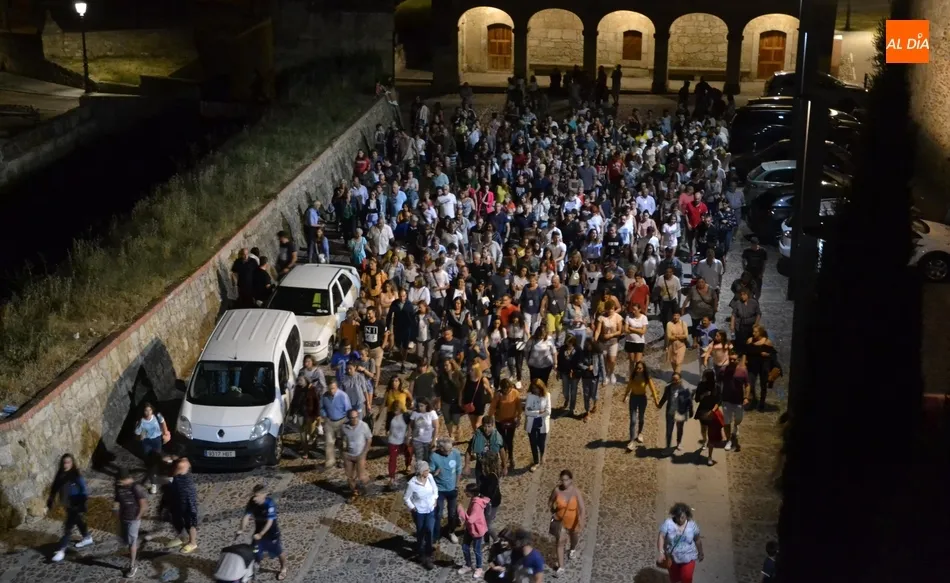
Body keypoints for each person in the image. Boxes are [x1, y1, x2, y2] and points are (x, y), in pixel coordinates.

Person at [238, 484, 288, 581]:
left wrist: (261, 534)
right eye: (254, 495)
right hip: (258, 531)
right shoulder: (252, 502)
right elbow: (246, 516)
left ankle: (284, 567)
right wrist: (241, 529)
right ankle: (256, 565)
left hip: (271, 533)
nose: (254, 498)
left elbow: (269, 522)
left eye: (257, 495)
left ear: (264, 495)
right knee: (255, 550)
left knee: (278, 551)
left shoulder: (269, 504)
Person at [548, 470, 585, 576]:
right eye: (562, 480)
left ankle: (572, 549)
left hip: (573, 521)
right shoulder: (556, 491)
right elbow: (550, 502)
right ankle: (561, 567)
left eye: (566, 480)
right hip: (560, 522)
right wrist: (553, 511)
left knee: (574, 537)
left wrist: (581, 521)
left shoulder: (576, 492)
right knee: (560, 543)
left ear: (571, 480)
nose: (564, 482)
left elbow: (582, 508)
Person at [404, 460, 439, 569]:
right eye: (426, 470)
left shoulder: (430, 477)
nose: (428, 471)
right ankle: (420, 551)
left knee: (429, 530)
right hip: (419, 512)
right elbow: (406, 498)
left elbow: (435, 489)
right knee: (421, 531)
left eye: (428, 469)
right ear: (420, 471)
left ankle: (428, 553)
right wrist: (413, 507)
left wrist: (435, 498)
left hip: (430, 510)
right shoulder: (412, 484)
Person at [657, 503, 704, 583]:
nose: (680, 519)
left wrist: (700, 552)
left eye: (682, 517)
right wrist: (661, 552)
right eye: (677, 517)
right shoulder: (668, 523)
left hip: (689, 557)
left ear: (687, 516)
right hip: (672, 558)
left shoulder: (692, 525)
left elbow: (697, 539)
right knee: (675, 579)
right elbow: (661, 536)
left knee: (687, 578)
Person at [113, 467, 147, 577]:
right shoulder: (118, 486)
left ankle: (133, 566)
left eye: (120, 481)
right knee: (126, 541)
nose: (119, 483)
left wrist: (137, 517)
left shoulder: (136, 487)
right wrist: (116, 510)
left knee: (132, 543)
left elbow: (143, 504)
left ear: (126, 478)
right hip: (123, 518)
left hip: (133, 519)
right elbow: (117, 500)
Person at [134, 401, 169, 494]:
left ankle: (161, 475)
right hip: (146, 442)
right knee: (150, 464)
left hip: (157, 440)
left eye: (150, 410)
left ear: (152, 410)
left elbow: (163, 422)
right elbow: (137, 435)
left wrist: (165, 433)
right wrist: (140, 437)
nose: (148, 412)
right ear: (143, 411)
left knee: (157, 460)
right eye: (146, 410)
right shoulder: (140, 421)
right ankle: (154, 483)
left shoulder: (157, 415)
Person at [623, 361, 659, 450]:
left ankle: (640, 433)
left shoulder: (647, 378)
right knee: (633, 420)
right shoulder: (633, 376)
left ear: (643, 369)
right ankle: (631, 441)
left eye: (640, 368)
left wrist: (656, 400)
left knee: (641, 418)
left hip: (642, 399)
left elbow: (653, 389)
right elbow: (629, 386)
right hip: (633, 398)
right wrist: (625, 395)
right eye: (637, 368)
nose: (638, 370)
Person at [489, 378, 522, 470]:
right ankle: (504, 459)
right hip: (500, 421)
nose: (507, 391)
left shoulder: (515, 393)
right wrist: (489, 418)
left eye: (508, 389)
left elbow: (519, 406)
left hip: (511, 420)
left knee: (510, 440)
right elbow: (492, 407)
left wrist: (519, 417)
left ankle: (511, 457)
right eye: (505, 389)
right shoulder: (498, 395)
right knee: (502, 441)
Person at [456, 489, 491, 578]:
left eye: (466, 491)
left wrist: (460, 510)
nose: (465, 492)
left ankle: (479, 568)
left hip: (477, 530)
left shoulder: (476, 504)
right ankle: (468, 565)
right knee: (465, 547)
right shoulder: (473, 499)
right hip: (470, 528)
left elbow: (471, 520)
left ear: (471, 492)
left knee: (477, 550)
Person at [720, 351, 750, 452]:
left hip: (738, 401)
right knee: (727, 422)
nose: (732, 361)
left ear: (738, 360)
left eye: (734, 359)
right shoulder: (723, 370)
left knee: (738, 419)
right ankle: (728, 440)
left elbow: (747, 385)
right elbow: (718, 383)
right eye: (731, 359)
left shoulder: (743, 371)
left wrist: (746, 397)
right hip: (726, 400)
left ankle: (736, 426)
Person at [168, 457, 199, 553]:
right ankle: (182, 537)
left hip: (186, 496)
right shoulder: (181, 461)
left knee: (189, 521)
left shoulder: (181, 464)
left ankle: (192, 543)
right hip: (179, 493)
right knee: (178, 517)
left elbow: (171, 474)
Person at [342, 407, 373, 500]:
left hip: (360, 455)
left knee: (361, 476)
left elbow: (369, 439)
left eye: (356, 417)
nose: (355, 419)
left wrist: (364, 453)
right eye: (352, 417)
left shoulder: (364, 425)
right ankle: (354, 492)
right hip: (348, 456)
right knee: (350, 476)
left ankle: (367, 484)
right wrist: (342, 452)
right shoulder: (344, 427)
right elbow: (340, 440)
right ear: (348, 418)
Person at [658, 372, 694, 452]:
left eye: (677, 379)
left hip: (680, 412)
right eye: (673, 379)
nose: (675, 381)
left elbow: (689, 401)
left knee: (680, 428)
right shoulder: (668, 388)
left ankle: (678, 443)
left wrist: (691, 411)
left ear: (680, 379)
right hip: (670, 412)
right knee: (669, 430)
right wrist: (660, 405)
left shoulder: (685, 389)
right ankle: (667, 447)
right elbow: (664, 397)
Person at [466, 415, 508, 484]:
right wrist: (467, 465)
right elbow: (468, 451)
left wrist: (505, 467)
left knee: (493, 486)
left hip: (493, 465)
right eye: (485, 426)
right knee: (479, 486)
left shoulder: (497, 436)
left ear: (492, 426)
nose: (486, 429)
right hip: (480, 464)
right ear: (482, 425)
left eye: (489, 426)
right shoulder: (477, 435)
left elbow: (502, 451)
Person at [320, 379, 352, 468]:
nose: (332, 391)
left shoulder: (343, 396)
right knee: (329, 442)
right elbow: (321, 408)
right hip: (329, 421)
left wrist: (348, 423)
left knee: (342, 442)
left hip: (342, 421)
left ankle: (342, 459)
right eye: (330, 389)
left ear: (336, 387)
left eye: (333, 388)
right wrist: (324, 415)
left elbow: (348, 409)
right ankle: (330, 460)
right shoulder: (324, 396)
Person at [524, 379, 551, 471]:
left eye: (537, 388)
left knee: (541, 442)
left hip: (542, 423)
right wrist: (539, 412)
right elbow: (527, 411)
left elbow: (548, 411)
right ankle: (536, 461)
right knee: (533, 443)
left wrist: (534, 412)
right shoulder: (530, 396)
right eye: (534, 388)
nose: (535, 390)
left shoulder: (547, 396)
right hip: (532, 423)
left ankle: (542, 455)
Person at [386, 401, 413, 489]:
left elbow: (410, 426)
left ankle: (408, 465)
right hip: (393, 441)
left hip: (404, 440)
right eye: (394, 410)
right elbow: (388, 427)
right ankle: (392, 477)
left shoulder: (405, 416)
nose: (395, 412)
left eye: (397, 410)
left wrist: (408, 437)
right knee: (392, 459)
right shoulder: (391, 416)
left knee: (408, 453)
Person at [666, 309, 689, 375]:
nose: (676, 317)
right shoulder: (669, 324)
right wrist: (680, 336)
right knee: (673, 362)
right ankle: (676, 375)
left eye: (677, 315)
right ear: (672, 316)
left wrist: (675, 336)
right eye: (674, 315)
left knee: (678, 362)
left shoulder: (683, 323)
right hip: (671, 346)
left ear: (680, 316)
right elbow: (669, 336)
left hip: (681, 346)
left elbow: (686, 335)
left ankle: (676, 377)